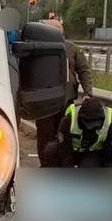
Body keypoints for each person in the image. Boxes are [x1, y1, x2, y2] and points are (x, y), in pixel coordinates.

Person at [35, 16, 93, 166]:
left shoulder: (72, 48)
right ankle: (46, 166)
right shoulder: (38, 48)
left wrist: (88, 93)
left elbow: (84, 71)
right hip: (44, 102)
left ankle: (64, 165)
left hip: (66, 101)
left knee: (65, 135)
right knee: (45, 136)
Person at [39, 96, 112, 169]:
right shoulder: (68, 120)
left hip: (91, 153)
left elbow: (111, 155)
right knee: (51, 149)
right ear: (81, 117)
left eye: (94, 124)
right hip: (71, 151)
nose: (90, 127)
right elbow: (63, 149)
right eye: (88, 123)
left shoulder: (108, 126)